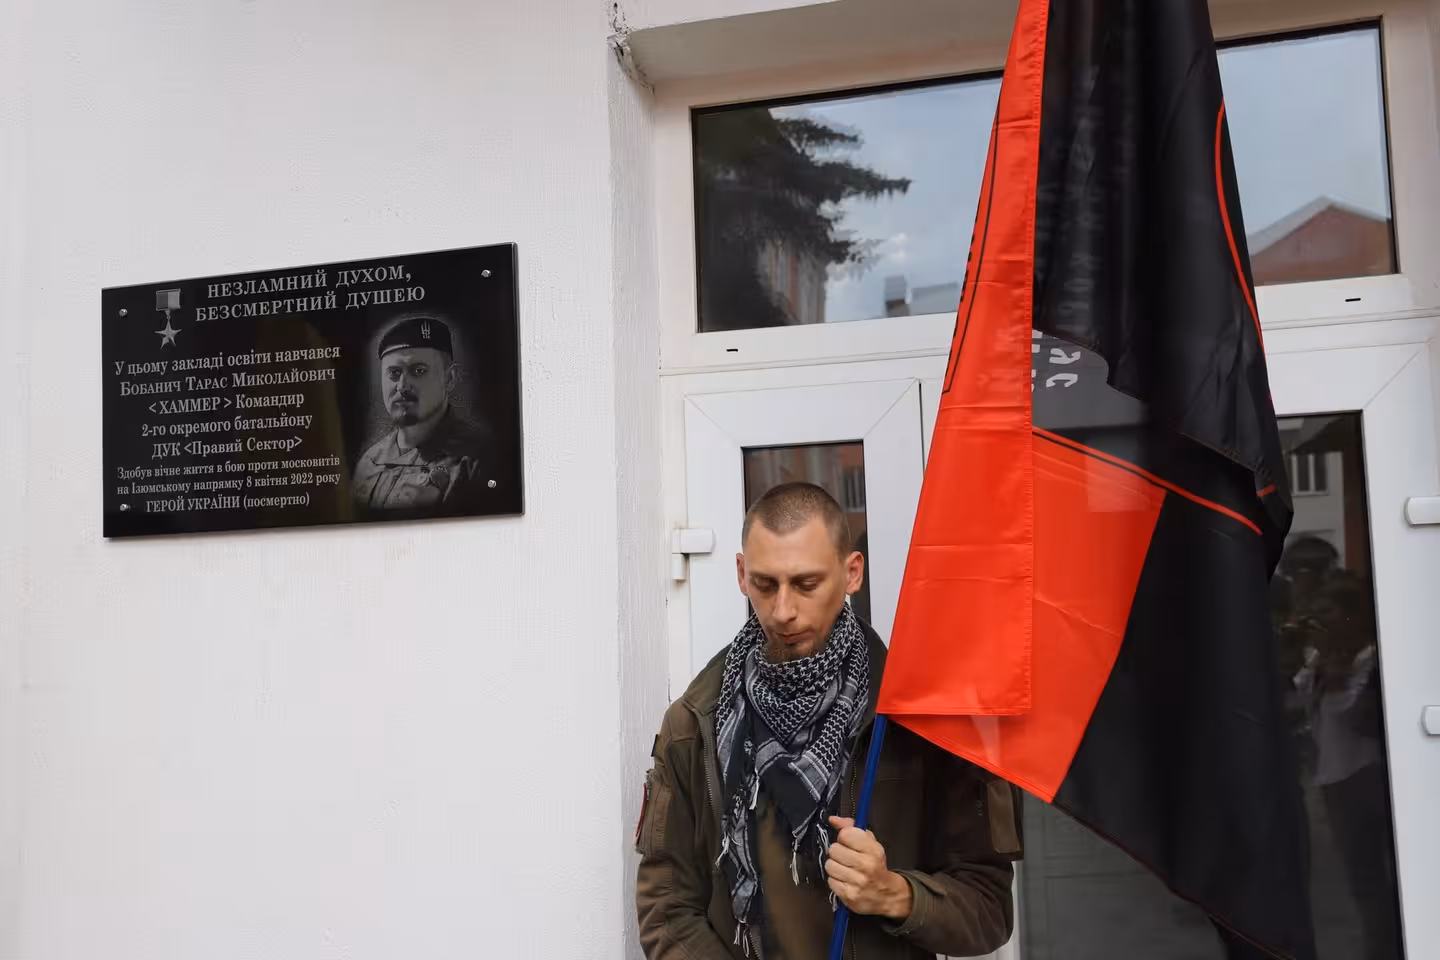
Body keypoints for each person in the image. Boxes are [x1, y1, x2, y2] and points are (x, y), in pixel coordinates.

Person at [635, 482, 1020, 959]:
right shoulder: (695, 724)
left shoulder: (917, 719)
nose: (783, 611)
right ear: (741, 574)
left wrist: (894, 894)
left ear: (852, 573)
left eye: (806, 584)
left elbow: (988, 909)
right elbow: (666, 909)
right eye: (764, 584)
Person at [352, 315, 496, 514]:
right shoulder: (369, 463)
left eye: (418, 371)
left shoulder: (475, 463)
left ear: (449, 379)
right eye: (394, 373)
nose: (402, 386)